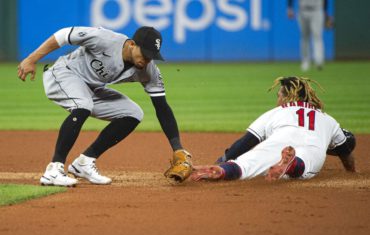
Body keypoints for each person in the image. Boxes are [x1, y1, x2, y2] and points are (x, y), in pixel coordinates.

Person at [17, 26, 192, 187]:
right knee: (83, 105)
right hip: (64, 73)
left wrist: (177, 148)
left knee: (133, 113)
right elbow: (63, 35)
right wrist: (31, 59)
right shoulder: (104, 39)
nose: (146, 60)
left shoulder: (148, 71)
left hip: (92, 88)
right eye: (144, 54)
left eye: (151, 56)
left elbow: (162, 107)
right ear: (131, 44)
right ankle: (53, 170)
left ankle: (84, 163)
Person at [191, 76, 356, 182]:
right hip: (311, 148)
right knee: (305, 165)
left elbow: (245, 143)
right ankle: (292, 164)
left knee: (246, 165)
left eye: (278, 95)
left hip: (279, 141)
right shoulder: (327, 119)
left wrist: (222, 160)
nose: (277, 99)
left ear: (287, 97)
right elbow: (345, 150)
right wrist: (351, 172)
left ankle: (222, 171)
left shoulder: (276, 112)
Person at [287, 0, 333, 71]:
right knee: (304, 37)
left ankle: (319, 61)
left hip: (317, 10)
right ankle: (305, 61)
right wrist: (290, 8)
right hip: (302, 10)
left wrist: (325, 12)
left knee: (317, 36)